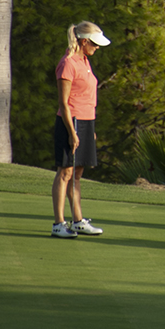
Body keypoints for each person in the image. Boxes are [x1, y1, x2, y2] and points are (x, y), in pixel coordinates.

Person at [51, 21, 111, 239]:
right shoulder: (68, 63)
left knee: (77, 174)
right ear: (84, 41)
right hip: (70, 122)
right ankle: (58, 223)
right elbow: (64, 102)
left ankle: (77, 221)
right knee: (65, 172)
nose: (97, 48)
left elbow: (87, 97)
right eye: (94, 44)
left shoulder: (84, 60)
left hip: (85, 122)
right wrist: (72, 132)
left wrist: (89, 129)